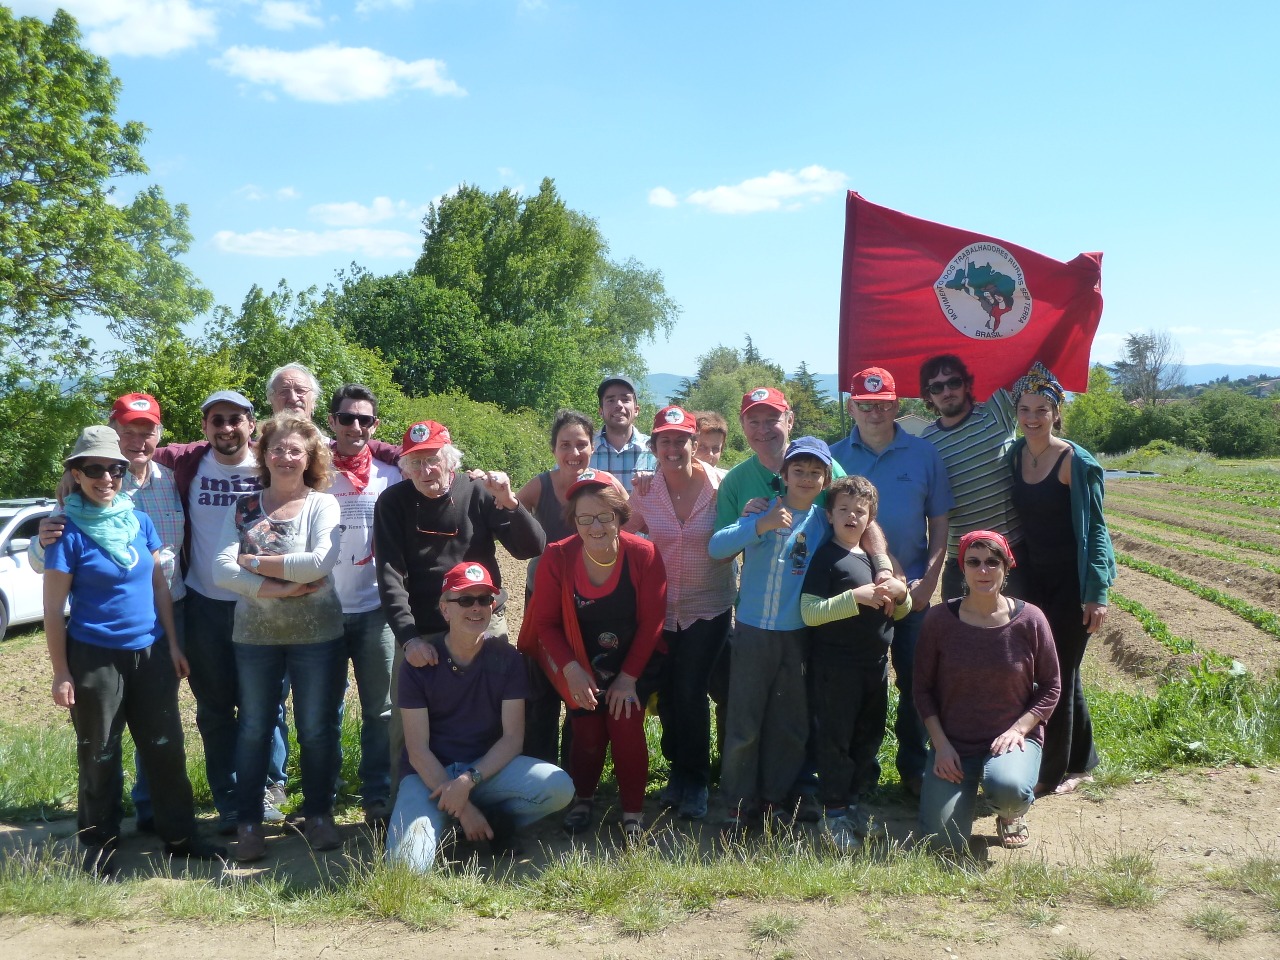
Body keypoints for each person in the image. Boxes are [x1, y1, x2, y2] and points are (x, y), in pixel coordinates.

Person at [42, 427, 223, 876]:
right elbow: (52, 610)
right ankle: (99, 843)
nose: (106, 477)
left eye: (114, 469)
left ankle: (179, 836)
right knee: (100, 752)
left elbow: (160, 586)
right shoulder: (66, 532)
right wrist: (61, 672)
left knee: (165, 749)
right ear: (77, 475)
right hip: (94, 657)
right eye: (94, 469)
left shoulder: (138, 521)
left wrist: (173, 645)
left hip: (150, 653)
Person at [375, 419, 546, 804]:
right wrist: (408, 637)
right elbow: (389, 576)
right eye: (415, 463)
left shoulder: (478, 493)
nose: (425, 470)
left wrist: (508, 501)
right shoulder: (393, 503)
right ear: (404, 467)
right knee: (406, 727)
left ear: (450, 460)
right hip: (422, 627)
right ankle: (403, 800)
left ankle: (490, 796)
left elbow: (530, 547)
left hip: (480, 618)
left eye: (433, 460)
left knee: (497, 714)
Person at [213, 415, 345, 862]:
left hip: (318, 634)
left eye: (295, 450)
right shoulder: (245, 506)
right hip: (255, 636)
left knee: (316, 729)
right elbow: (219, 569)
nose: (285, 457)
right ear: (263, 454)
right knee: (253, 728)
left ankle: (319, 815)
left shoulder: (322, 505)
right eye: (277, 449)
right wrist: (281, 587)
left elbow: (319, 564)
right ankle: (250, 823)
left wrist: (254, 564)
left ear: (309, 458)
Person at [386, 562, 574, 870]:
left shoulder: (509, 660)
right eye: (465, 600)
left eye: (484, 599)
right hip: (428, 778)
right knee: (406, 869)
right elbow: (417, 750)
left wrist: (467, 783)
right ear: (444, 609)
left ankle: (469, 820)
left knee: (559, 787)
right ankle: (460, 821)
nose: (476, 608)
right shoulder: (418, 664)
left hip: (484, 774)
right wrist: (465, 809)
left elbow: (513, 739)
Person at [829, 367, 953, 798]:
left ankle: (915, 768)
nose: (874, 413)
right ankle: (861, 770)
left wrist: (926, 585)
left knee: (918, 682)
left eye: (882, 406)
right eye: (865, 405)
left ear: (896, 406)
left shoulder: (924, 454)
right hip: (858, 594)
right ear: (852, 407)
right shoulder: (834, 458)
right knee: (864, 682)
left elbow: (939, 525)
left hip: (913, 593)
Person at [525, 469, 667, 844]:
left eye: (605, 516)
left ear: (621, 516)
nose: (596, 526)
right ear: (573, 520)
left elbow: (654, 620)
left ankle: (633, 812)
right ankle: (582, 799)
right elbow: (546, 623)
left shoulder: (644, 553)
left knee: (625, 724)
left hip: (633, 660)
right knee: (586, 731)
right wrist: (571, 670)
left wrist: (628, 678)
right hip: (580, 660)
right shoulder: (558, 555)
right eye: (585, 518)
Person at [708, 437, 833, 835]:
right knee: (744, 722)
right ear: (783, 475)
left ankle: (775, 799)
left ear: (827, 478)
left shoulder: (824, 522)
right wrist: (757, 524)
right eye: (798, 470)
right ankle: (738, 805)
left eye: (816, 472)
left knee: (789, 723)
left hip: (796, 634)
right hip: (751, 631)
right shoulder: (762, 511)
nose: (807, 478)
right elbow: (716, 547)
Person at [914, 531, 1061, 854]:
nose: (984, 570)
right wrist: (940, 745)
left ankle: (1010, 814)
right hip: (954, 745)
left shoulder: (1030, 620)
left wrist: (1019, 729)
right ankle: (959, 794)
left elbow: (1052, 686)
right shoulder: (939, 620)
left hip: (1010, 740)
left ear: (1007, 567)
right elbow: (922, 689)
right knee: (942, 842)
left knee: (1008, 787)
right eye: (974, 562)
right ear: (962, 568)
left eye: (993, 562)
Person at [1008, 362, 1116, 796]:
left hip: (1071, 583)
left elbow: (1096, 530)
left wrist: (1097, 592)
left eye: (1042, 409)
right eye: (1025, 409)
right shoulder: (1016, 454)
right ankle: (1083, 760)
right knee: (1054, 672)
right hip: (1033, 580)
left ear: (1057, 411)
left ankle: (1050, 774)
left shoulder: (1076, 462)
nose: (1032, 418)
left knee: (1061, 673)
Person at [626, 406, 735, 820]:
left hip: (708, 608)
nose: (673, 448)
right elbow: (626, 533)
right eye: (664, 441)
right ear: (653, 447)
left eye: (681, 440)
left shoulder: (722, 485)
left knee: (691, 692)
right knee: (670, 696)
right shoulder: (645, 490)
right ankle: (678, 774)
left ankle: (697, 782)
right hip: (661, 610)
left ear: (695, 443)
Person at [800, 476, 911, 851]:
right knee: (836, 742)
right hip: (836, 667)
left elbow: (900, 611)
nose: (851, 516)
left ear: (871, 517)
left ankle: (854, 806)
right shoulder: (826, 558)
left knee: (867, 739)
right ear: (829, 515)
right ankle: (833, 815)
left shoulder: (874, 561)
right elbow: (809, 612)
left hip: (874, 666)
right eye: (843, 510)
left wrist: (902, 594)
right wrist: (855, 597)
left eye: (859, 511)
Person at [326, 384, 402, 826]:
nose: (356, 427)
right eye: (347, 418)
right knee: (323, 710)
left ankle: (377, 795)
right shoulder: (312, 471)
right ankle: (324, 796)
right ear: (332, 421)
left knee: (381, 709)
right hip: (323, 607)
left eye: (365, 420)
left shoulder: (391, 474)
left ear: (375, 426)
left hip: (377, 609)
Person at [514, 409, 598, 765]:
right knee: (540, 682)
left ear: (593, 447)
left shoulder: (602, 486)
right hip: (542, 598)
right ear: (554, 449)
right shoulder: (540, 486)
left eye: (581, 444)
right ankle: (538, 767)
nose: (573, 453)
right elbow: (510, 513)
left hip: (588, 602)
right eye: (566, 444)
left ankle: (576, 771)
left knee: (580, 683)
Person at [918, 355, 1027, 600]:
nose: (947, 391)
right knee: (960, 635)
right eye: (937, 387)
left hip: (1011, 555)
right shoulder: (925, 444)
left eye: (954, 382)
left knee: (1016, 633)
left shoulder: (996, 412)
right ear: (928, 396)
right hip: (962, 561)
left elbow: (1024, 363)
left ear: (967, 384)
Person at [589, 375, 656, 493]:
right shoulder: (584, 450)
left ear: (636, 410)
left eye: (625, 399)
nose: (618, 405)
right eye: (610, 400)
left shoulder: (655, 450)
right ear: (601, 411)